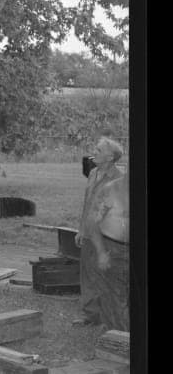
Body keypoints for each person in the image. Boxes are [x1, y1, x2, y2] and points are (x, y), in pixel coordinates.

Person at [75, 136, 129, 331]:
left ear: (110, 157)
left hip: (106, 235)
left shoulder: (119, 178)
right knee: (87, 273)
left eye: (98, 150)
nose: (94, 152)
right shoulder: (93, 173)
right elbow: (88, 204)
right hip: (89, 230)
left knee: (106, 276)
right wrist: (82, 229)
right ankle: (90, 315)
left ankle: (109, 320)